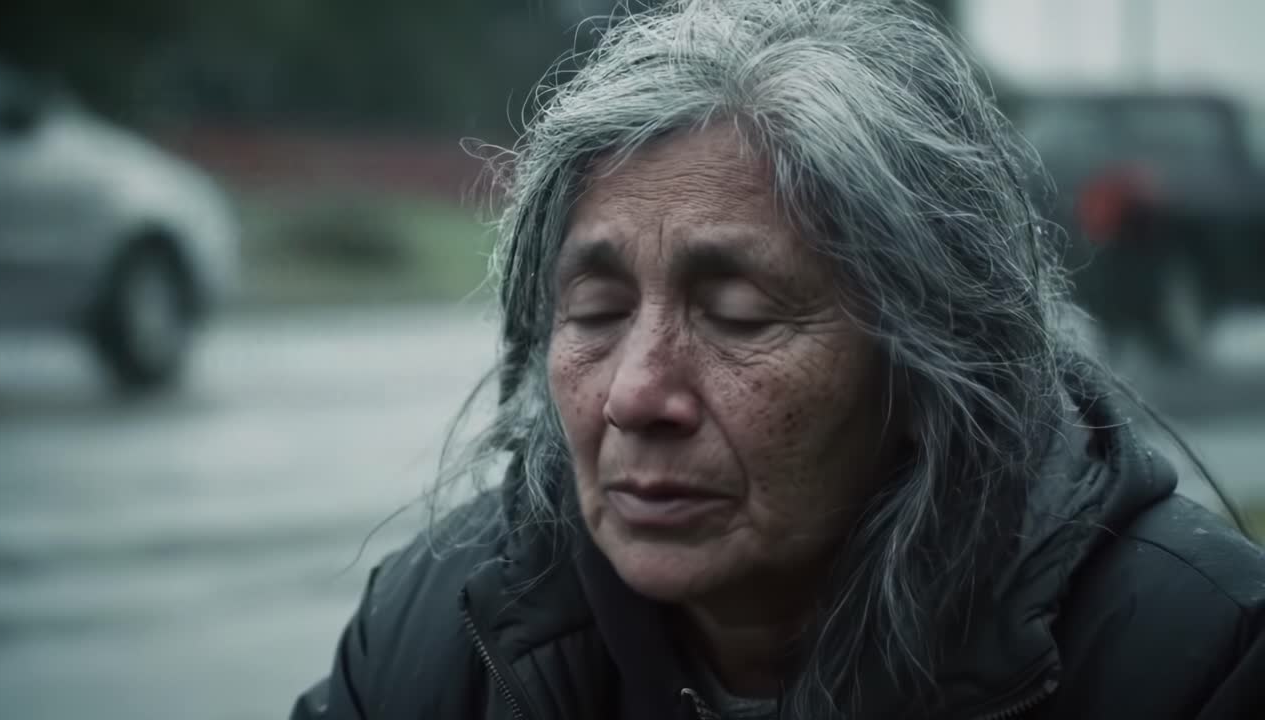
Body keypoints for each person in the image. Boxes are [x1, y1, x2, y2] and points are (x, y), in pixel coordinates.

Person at [291, 1, 1265, 718]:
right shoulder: (440, 635)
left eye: (738, 316)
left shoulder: (1195, 665)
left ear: (926, 360)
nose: (635, 395)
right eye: (595, 311)